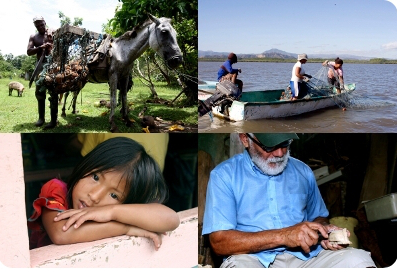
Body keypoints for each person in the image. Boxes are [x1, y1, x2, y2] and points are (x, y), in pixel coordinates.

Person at [202, 133, 376, 268]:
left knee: (357, 260)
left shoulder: (303, 171)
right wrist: (285, 235)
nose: (279, 153)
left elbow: (320, 218)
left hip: (307, 258)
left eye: (285, 143)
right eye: (269, 146)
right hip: (252, 259)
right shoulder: (225, 175)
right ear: (245, 139)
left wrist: (323, 231)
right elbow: (219, 242)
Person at [27, 137, 180, 250]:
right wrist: (125, 228)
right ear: (87, 164)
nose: (95, 196)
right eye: (95, 177)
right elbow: (61, 233)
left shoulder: (116, 211)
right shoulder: (56, 190)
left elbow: (171, 219)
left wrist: (111, 212)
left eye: (114, 195)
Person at [27, 16, 55, 128]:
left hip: (53, 66)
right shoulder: (33, 37)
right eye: (37, 26)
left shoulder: (53, 32)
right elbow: (29, 52)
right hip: (40, 65)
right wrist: (41, 47)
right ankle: (41, 118)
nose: (40, 27)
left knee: (54, 92)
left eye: (41, 24)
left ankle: (53, 120)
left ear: (45, 23)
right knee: (39, 93)